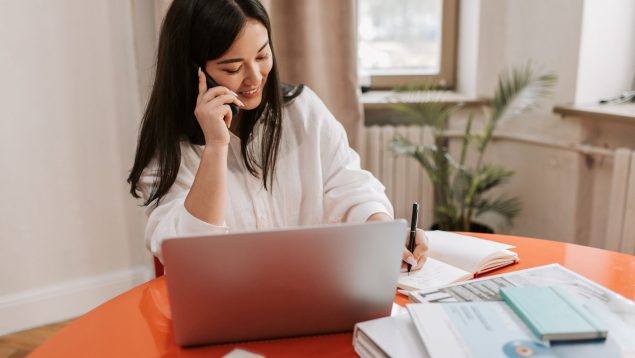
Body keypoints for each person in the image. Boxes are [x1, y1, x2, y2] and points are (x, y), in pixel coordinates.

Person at [127, 0, 428, 271]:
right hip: (226, 307)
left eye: (262, 56)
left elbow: (349, 185)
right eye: (233, 68)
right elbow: (189, 254)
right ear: (193, 72)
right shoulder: (168, 147)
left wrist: (383, 232)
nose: (255, 77)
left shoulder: (302, 110)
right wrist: (216, 147)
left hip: (314, 290)